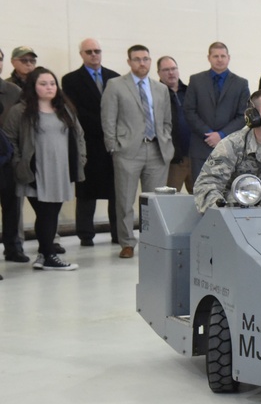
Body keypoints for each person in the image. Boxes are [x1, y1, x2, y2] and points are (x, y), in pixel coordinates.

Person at [1, 67, 87, 271]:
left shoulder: (64, 109)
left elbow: (79, 136)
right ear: (33, 86)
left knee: (51, 213)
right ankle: (49, 255)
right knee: (46, 213)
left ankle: (43, 254)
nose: (49, 87)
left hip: (60, 171)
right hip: (34, 172)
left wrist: (81, 159)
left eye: (52, 83)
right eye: (43, 84)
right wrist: (18, 164)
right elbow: (9, 139)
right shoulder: (20, 111)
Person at [100, 44, 174, 259]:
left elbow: (167, 120)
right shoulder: (115, 85)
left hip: (157, 150)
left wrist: (166, 138)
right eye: (137, 59)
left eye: (145, 59)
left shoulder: (160, 88)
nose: (142, 63)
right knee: (125, 199)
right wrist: (113, 146)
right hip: (127, 150)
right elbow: (108, 119)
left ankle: (153, 241)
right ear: (129, 62)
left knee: (155, 201)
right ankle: (127, 243)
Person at [62, 38, 120, 246]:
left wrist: (112, 129)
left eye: (97, 51)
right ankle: (85, 234)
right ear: (81, 55)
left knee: (116, 191)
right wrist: (105, 124)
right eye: (89, 52)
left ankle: (117, 232)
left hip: (113, 143)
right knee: (87, 191)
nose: (94, 55)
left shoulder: (114, 78)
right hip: (88, 141)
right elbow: (75, 109)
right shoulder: (71, 80)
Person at [183, 42, 251, 183]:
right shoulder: (196, 80)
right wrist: (208, 133)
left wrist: (221, 135)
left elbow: (243, 115)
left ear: (229, 58)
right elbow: (189, 110)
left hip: (230, 146)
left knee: (227, 189)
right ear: (209, 58)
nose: (219, 59)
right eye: (215, 56)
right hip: (201, 145)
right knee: (200, 188)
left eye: (222, 56)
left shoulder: (241, 83)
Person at [0, 48, 27, 262]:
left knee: (11, 205)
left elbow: (21, 124)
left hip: (6, 158)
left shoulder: (13, 91)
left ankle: (13, 247)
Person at [157, 56, 193, 193]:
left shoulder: (190, 91)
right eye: (166, 70)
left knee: (201, 200)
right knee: (168, 201)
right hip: (172, 160)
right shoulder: (156, 94)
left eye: (173, 69)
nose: (171, 73)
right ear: (159, 73)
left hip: (194, 157)